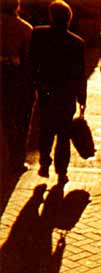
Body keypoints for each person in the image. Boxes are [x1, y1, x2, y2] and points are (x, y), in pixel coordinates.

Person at [30, 0, 87, 185]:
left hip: (46, 92)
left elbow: (32, 63)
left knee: (45, 130)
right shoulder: (77, 43)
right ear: (69, 19)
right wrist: (82, 98)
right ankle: (62, 172)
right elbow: (80, 74)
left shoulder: (38, 34)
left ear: (51, 16)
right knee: (63, 136)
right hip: (66, 95)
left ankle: (45, 162)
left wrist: (37, 85)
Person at [0, 0, 33, 174]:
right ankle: (16, 161)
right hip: (16, 80)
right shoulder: (25, 29)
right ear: (17, 7)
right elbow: (30, 59)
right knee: (20, 121)